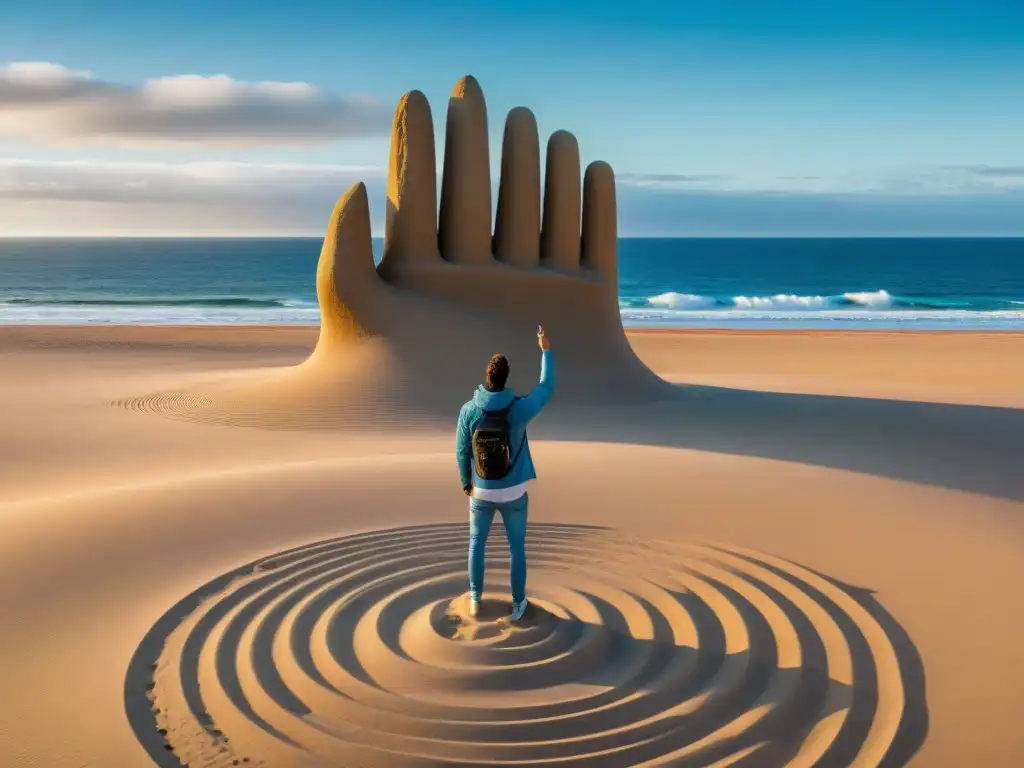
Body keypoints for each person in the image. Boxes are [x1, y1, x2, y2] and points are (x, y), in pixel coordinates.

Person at [456, 325, 555, 621]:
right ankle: (518, 604)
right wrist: (546, 350)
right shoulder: (520, 409)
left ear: (486, 378)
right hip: (514, 492)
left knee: (476, 544)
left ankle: (475, 598)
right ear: (505, 379)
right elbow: (546, 387)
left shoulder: (468, 411)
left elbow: (462, 451)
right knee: (516, 549)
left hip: (482, 491)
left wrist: (466, 483)